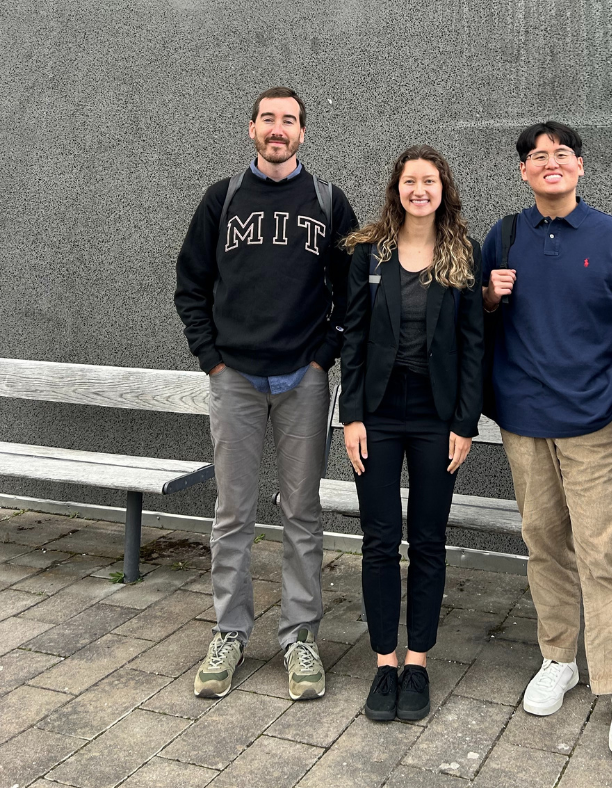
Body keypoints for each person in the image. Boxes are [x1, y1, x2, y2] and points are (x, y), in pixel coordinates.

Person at [481, 122, 612, 758]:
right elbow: (478, 317)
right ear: (524, 171)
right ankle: (559, 657)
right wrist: (489, 296)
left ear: (580, 166)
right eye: (537, 156)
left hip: (594, 423)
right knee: (544, 543)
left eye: (561, 154)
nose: (549, 163)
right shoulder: (503, 235)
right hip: (523, 419)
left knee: (602, 549)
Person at [175, 86, 358, 701]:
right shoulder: (222, 199)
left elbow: (351, 293)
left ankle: (300, 636)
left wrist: (323, 356)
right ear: (251, 128)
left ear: (303, 132)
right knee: (233, 513)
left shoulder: (328, 202)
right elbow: (191, 285)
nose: (278, 129)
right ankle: (229, 632)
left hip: (302, 379)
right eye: (268, 119)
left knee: (302, 511)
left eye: (290, 121)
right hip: (237, 380)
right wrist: (211, 359)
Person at [339, 145, 484, 722]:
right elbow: (353, 337)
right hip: (377, 413)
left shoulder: (462, 252)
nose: (419, 190)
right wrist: (351, 416)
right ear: (395, 189)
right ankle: (384, 663)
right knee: (379, 539)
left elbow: (473, 346)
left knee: (427, 539)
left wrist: (465, 423)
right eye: (409, 181)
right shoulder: (369, 253)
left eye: (429, 181)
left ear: (443, 190)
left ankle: (418, 662)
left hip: (435, 416)